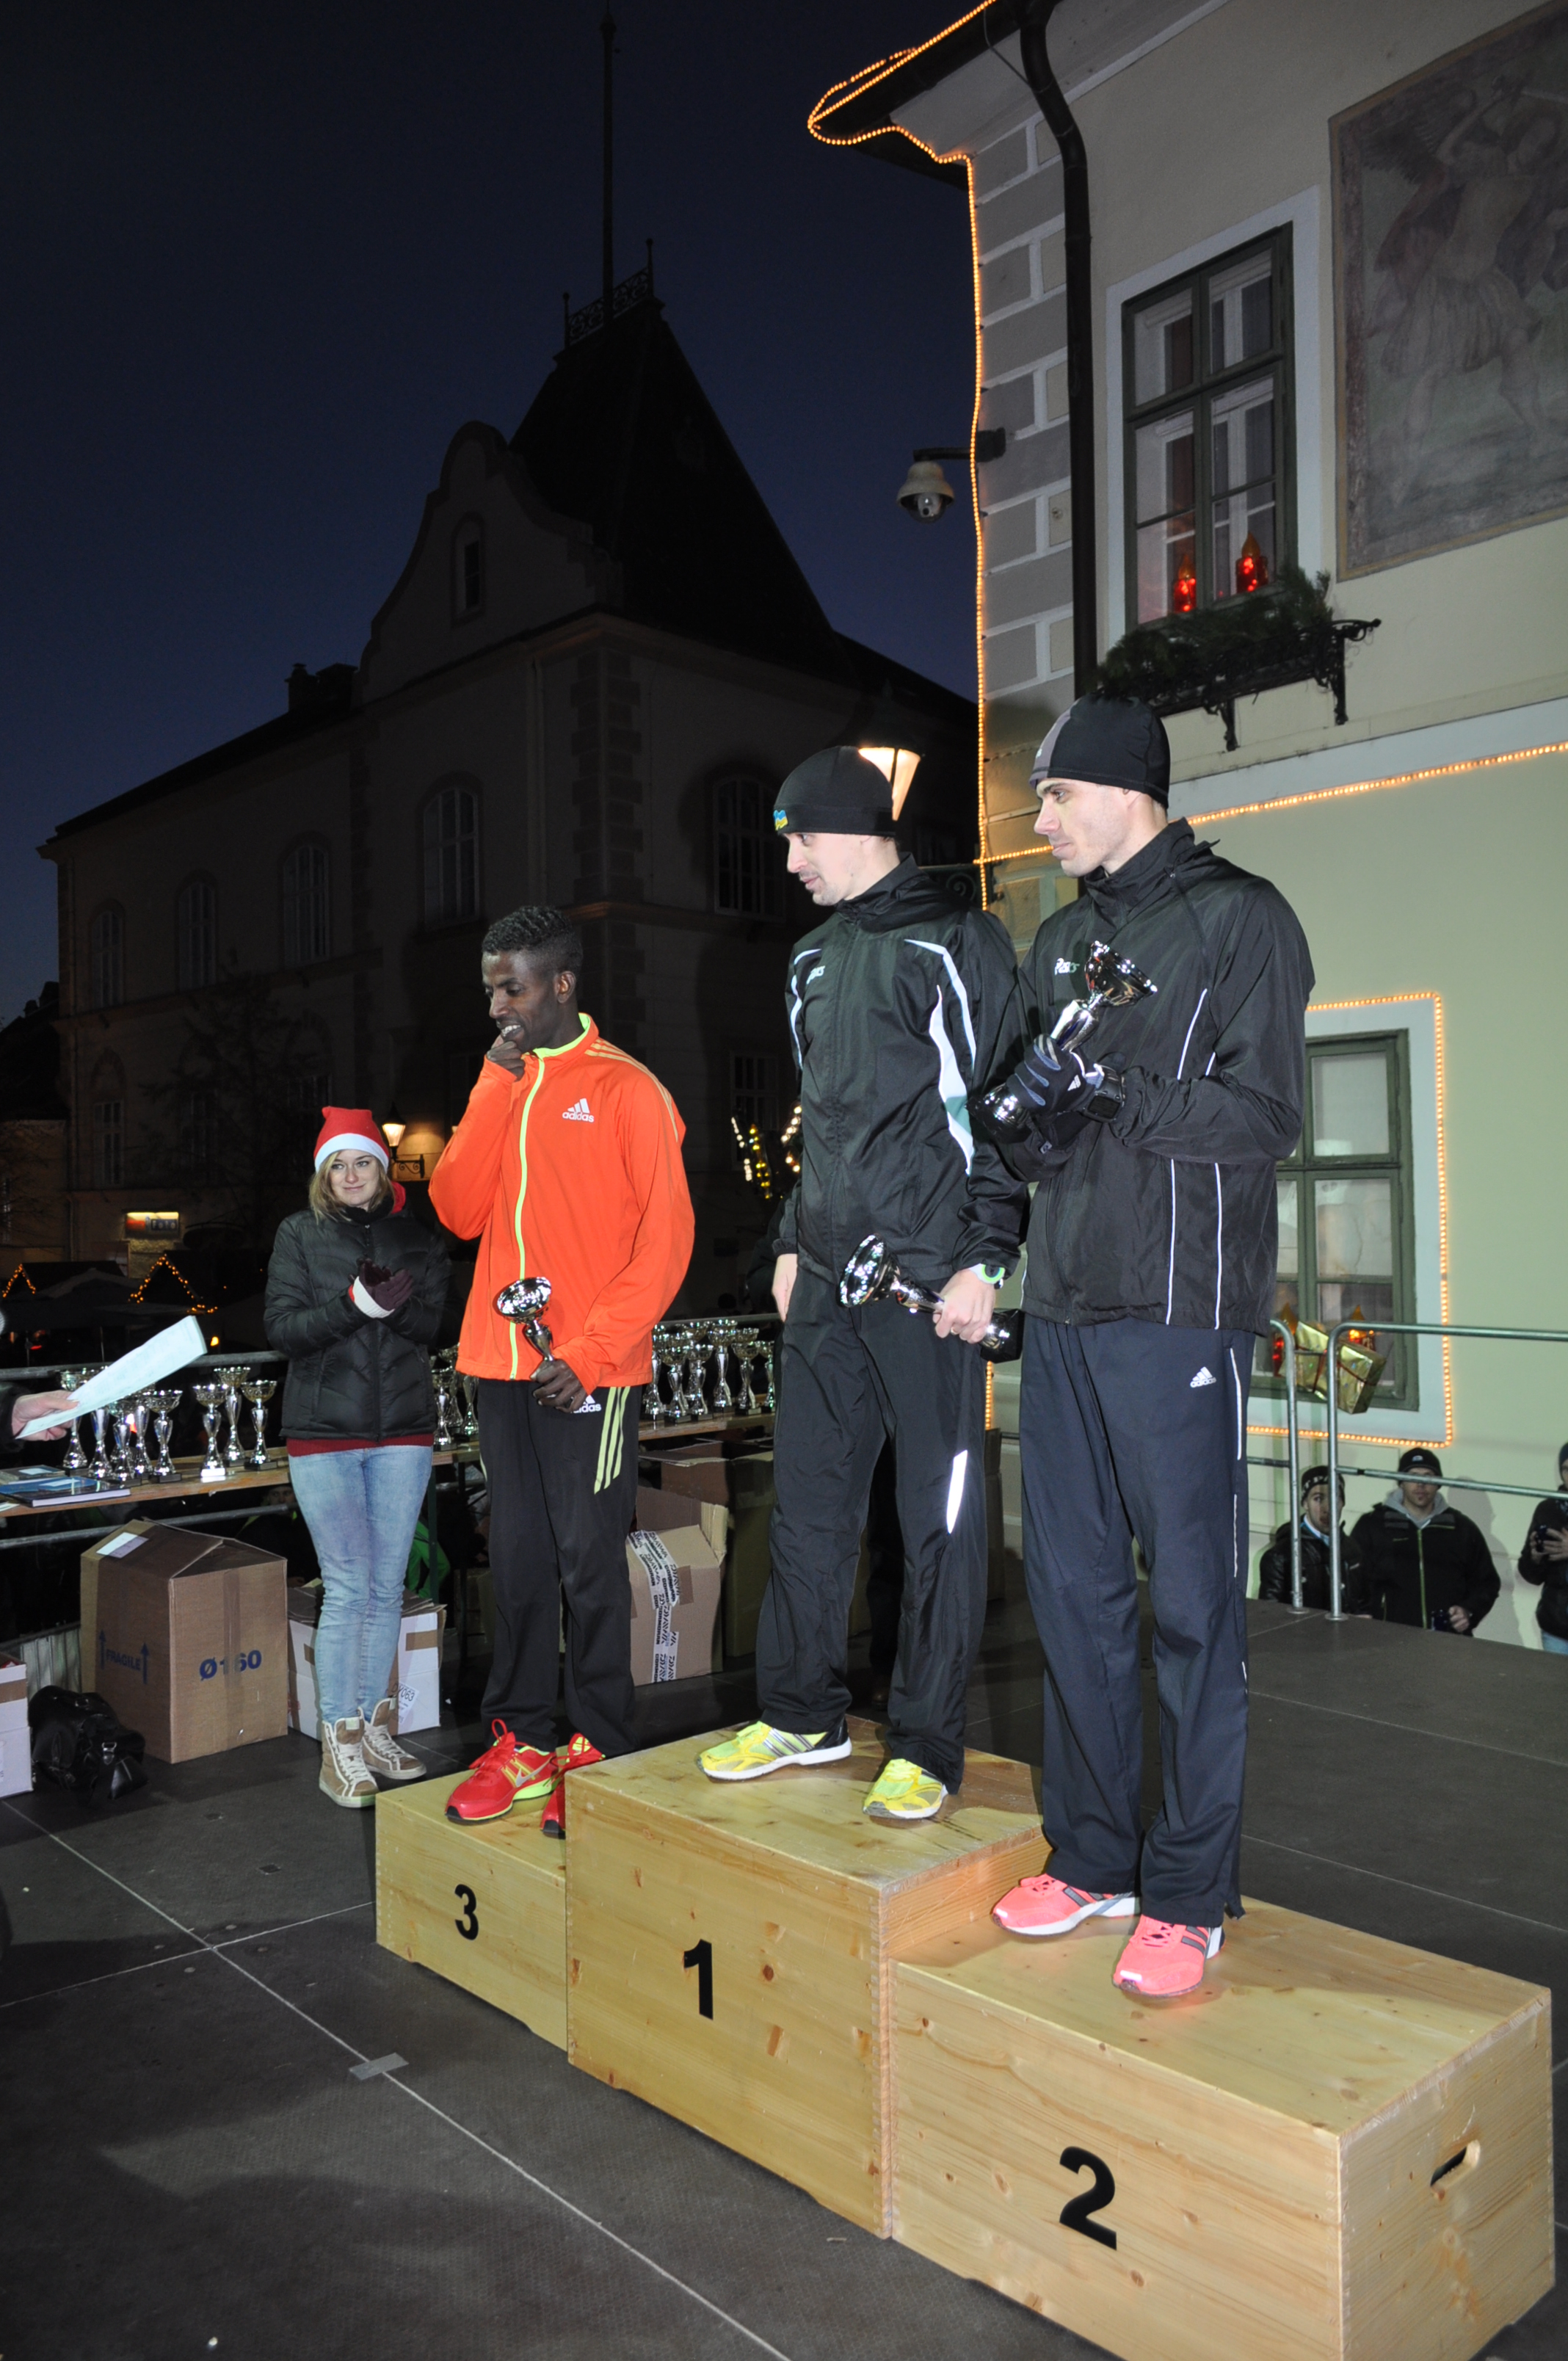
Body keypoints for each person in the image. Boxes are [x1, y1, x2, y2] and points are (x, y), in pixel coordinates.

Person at [985, 694, 1313, 1998]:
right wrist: (1028, 1124)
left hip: (1179, 1311)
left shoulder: (1241, 917)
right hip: (1065, 1305)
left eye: (1057, 796)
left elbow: (1264, 1115)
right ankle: (1093, 1857)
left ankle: (1186, 1892)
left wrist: (1114, 1090)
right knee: (1071, 1597)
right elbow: (1035, 1134)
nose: (1041, 820)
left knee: (1189, 1611)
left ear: (1127, 789)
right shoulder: (1062, 939)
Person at [698, 747, 1026, 1821]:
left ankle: (927, 1744)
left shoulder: (958, 940)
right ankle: (802, 1714)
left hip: (930, 1281)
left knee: (936, 1522)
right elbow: (823, 1126)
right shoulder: (811, 959)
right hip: (827, 1278)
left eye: (801, 839)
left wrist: (987, 1257)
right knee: (806, 1507)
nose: (790, 860)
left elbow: (1000, 1108)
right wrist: (791, 1241)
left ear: (855, 829)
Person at [432, 906, 693, 1833]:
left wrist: (588, 1353)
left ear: (563, 983)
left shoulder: (627, 1089)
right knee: (519, 1560)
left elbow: (667, 1244)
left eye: (513, 987)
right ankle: (522, 1739)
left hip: (591, 1373)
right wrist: (492, 1086)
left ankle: (600, 1745)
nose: (497, 1006)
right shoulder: (502, 1082)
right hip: (498, 1365)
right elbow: (457, 1210)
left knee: (588, 1562)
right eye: (490, 989)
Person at [264, 1109, 450, 1807]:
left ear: (381, 1167)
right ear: (323, 1175)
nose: (349, 1175)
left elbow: (436, 1325)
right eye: (337, 1165)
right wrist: (355, 1305)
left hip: (403, 1430)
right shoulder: (298, 1233)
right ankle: (336, 1745)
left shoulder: (416, 1235)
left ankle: (375, 1731)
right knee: (347, 1588)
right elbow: (283, 1329)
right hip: (324, 1434)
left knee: (385, 1587)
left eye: (362, 1162)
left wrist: (393, 1310)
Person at [1351, 1446, 1500, 1635]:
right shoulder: (1373, 1525)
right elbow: (1350, 1578)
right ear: (1401, 1482)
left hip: (1448, 1641)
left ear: (1438, 1483)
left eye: (1428, 1477)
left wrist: (1468, 1610)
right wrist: (1360, 1613)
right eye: (1413, 1476)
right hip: (1389, 1640)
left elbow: (1487, 1582)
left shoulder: (1461, 1528)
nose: (1421, 1484)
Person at [1258, 1465, 1367, 1613]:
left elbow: (1364, 1605)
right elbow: (1270, 1616)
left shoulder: (1353, 1550)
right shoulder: (1281, 1557)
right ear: (1305, 1504)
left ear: (1343, 1503)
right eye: (1318, 1499)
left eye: (1335, 1498)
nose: (1327, 1508)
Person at [1518, 1443, 1568, 1656]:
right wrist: (1535, 1557)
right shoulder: (1547, 1510)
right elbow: (1530, 1575)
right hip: (1556, 1627)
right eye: (1566, 1469)